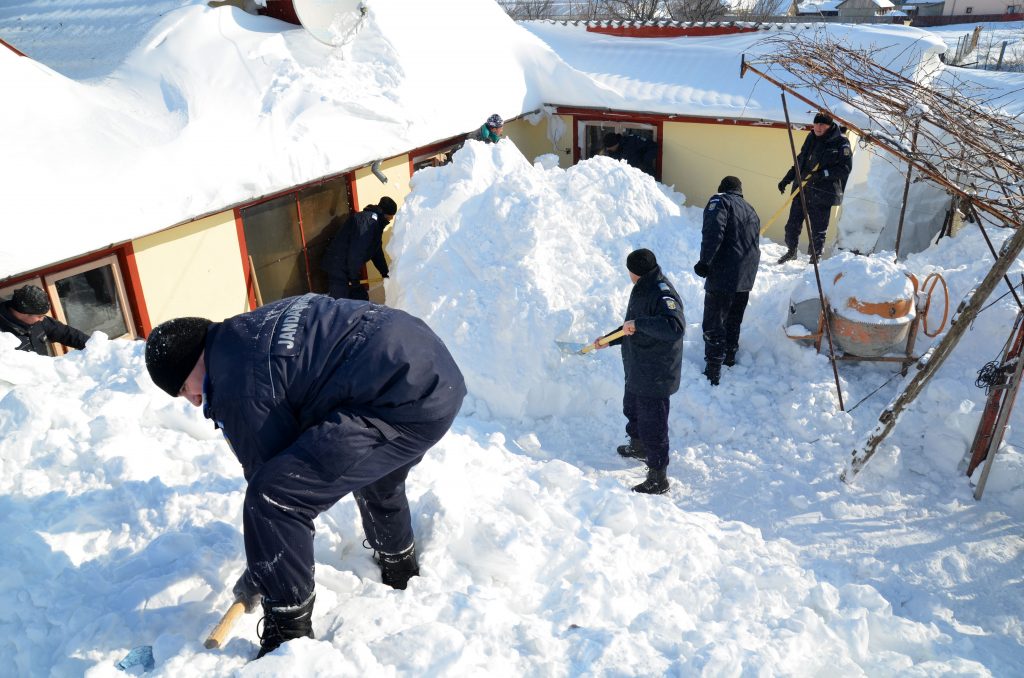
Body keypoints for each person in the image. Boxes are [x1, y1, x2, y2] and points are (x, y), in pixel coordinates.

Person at [144, 294, 466, 658]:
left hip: (404, 397)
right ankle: (398, 562)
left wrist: (267, 571)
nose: (195, 401)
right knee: (371, 464)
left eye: (184, 388)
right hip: (423, 364)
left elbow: (274, 483)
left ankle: (288, 632)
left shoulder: (236, 385)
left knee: (275, 498)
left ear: (192, 361)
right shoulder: (246, 331)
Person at [593, 249, 685, 495]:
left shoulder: (661, 292)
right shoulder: (644, 285)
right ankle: (639, 446)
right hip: (639, 366)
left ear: (635, 272)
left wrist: (639, 324)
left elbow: (674, 327)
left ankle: (658, 477)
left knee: (653, 423)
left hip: (655, 371)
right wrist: (609, 339)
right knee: (632, 408)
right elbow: (631, 325)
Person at [693, 176, 761, 386]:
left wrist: (705, 261)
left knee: (714, 322)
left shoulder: (720, 201)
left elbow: (714, 231)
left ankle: (713, 370)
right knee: (733, 319)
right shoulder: (751, 209)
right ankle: (729, 357)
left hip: (724, 274)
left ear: (722, 188)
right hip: (746, 276)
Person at [776, 111, 852, 264]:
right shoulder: (811, 137)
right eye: (816, 123)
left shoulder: (840, 142)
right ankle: (791, 251)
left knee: (818, 230)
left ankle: (815, 259)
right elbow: (801, 159)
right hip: (802, 189)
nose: (817, 127)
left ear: (829, 126)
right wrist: (788, 178)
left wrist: (823, 174)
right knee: (792, 226)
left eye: (822, 124)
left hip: (822, 192)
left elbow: (845, 168)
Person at [321, 197, 397, 300]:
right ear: (384, 213)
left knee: (361, 299)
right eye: (390, 217)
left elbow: (376, 252)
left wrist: (385, 272)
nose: (390, 220)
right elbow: (356, 252)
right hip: (338, 267)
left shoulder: (375, 223)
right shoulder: (368, 222)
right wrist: (353, 277)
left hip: (348, 267)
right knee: (341, 304)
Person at [0, 284, 88, 355]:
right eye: (39, 316)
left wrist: (94, 345)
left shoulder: (39, 322)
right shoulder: (2, 335)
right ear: (23, 313)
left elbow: (66, 334)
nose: (42, 319)